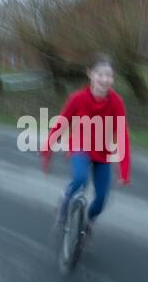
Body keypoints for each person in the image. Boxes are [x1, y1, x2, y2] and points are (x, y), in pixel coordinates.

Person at [41, 53, 131, 236]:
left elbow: (122, 135)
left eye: (109, 75)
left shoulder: (116, 103)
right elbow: (62, 123)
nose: (104, 79)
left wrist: (124, 170)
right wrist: (47, 148)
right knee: (80, 179)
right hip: (80, 147)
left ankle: (88, 222)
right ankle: (65, 200)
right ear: (90, 74)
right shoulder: (78, 98)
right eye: (100, 74)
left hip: (102, 153)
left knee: (101, 200)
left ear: (113, 78)